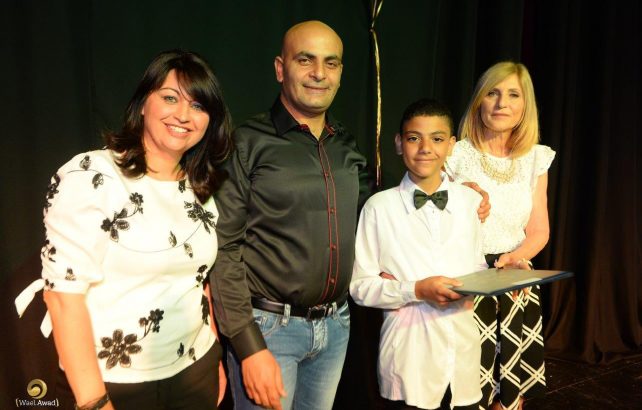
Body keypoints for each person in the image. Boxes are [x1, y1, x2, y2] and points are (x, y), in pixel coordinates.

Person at [14, 50, 233, 410]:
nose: (183, 114)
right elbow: (63, 298)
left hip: (196, 371)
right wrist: (95, 402)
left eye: (198, 105)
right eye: (170, 98)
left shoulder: (199, 187)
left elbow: (198, 278)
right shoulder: (92, 175)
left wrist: (213, 356)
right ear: (143, 104)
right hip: (114, 383)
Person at [209, 20, 370, 410]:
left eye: (331, 63)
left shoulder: (346, 144)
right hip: (269, 331)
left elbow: (377, 218)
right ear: (281, 69)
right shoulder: (246, 143)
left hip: (336, 326)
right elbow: (223, 247)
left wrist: (456, 189)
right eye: (305, 60)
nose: (319, 73)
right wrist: (248, 346)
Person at [350, 98, 487, 410]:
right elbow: (360, 287)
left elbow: (477, 266)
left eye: (437, 139)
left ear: (451, 145)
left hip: (462, 358)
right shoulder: (378, 207)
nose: (426, 148)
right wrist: (414, 290)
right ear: (399, 144)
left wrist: (495, 279)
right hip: (408, 359)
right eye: (414, 138)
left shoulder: (470, 202)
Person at [447, 61, 555, 410]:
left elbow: (539, 229)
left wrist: (515, 259)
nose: (501, 103)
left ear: (525, 105)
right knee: (466, 395)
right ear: (479, 100)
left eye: (513, 95)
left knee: (508, 399)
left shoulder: (535, 158)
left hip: (514, 281)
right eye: (492, 93)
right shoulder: (455, 154)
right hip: (467, 281)